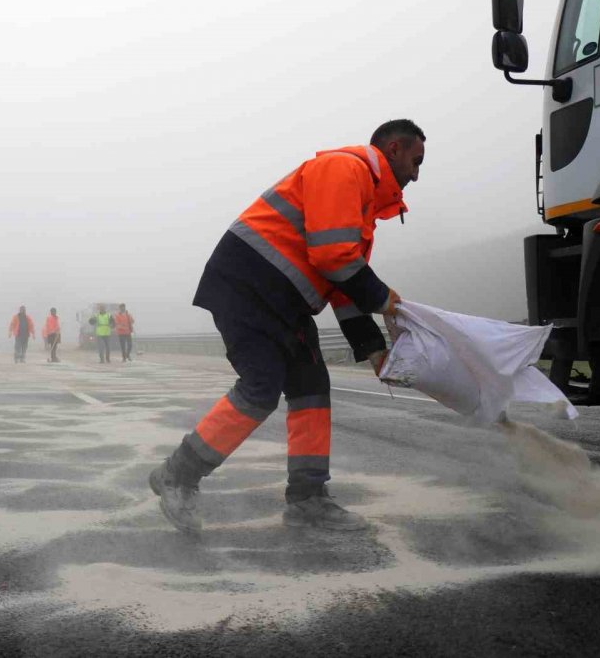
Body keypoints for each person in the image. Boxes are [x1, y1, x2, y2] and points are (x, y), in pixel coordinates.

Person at [149, 119, 424, 535]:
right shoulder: (344, 170)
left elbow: (343, 283)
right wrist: (385, 300)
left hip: (287, 301)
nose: (416, 174)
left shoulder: (364, 205)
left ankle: (308, 499)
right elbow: (335, 259)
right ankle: (178, 474)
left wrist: (373, 349)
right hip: (246, 285)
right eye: (415, 161)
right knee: (261, 387)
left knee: (311, 389)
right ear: (394, 148)